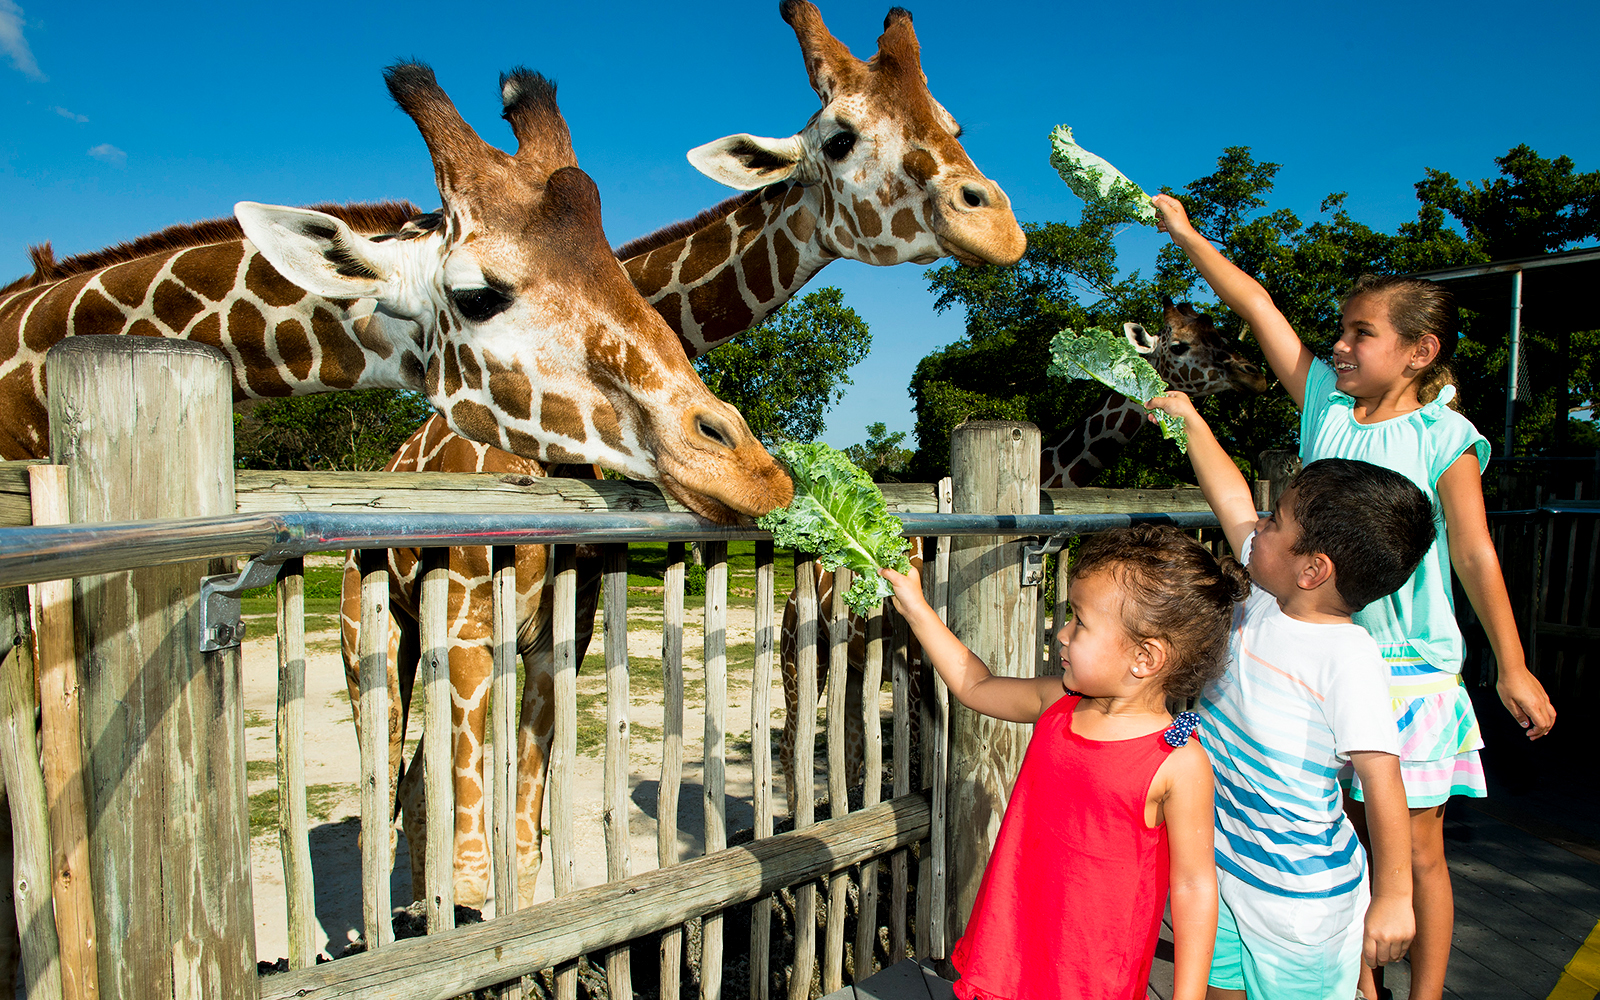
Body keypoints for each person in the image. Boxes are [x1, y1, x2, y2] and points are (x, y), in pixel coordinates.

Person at [1154, 192, 1557, 1000]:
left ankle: (1426, 992)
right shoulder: (1323, 407)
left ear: (1419, 350)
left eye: (1359, 334)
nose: (1336, 345)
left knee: (1414, 850)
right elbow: (1256, 304)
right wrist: (1187, 235)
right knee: (1332, 837)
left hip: (1406, 671)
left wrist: (1512, 665)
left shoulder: (1446, 438)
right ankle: (1354, 983)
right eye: (1338, 329)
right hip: (1316, 660)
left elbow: (1474, 553)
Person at [1147, 391, 1431, 1000]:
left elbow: (1383, 781)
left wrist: (1395, 898)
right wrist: (1192, 422)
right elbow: (1229, 499)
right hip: (1221, 868)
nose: (1258, 527)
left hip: (1301, 905)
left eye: (1275, 521)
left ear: (1314, 569)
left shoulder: (1347, 658)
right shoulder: (1261, 596)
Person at [880, 524, 1241, 1000]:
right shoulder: (1058, 702)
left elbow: (1195, 887)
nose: (1062, 632)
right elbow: (975, 686)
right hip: (1014, 936)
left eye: (1080, 622)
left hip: (1090, 971)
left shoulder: (1178, 762)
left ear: (1144, 656)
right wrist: (916, 607)